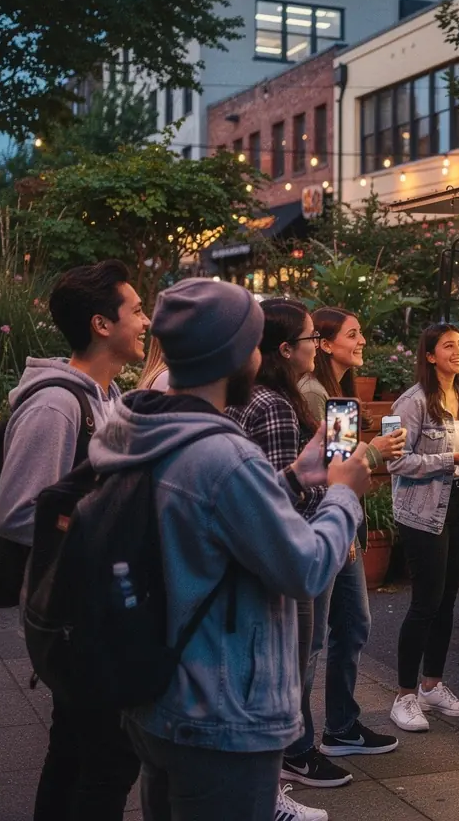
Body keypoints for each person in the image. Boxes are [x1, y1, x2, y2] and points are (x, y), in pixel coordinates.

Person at [88, 278, 372, 821]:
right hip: (221, 710)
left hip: (157, 694)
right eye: (255, 344)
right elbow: (306, 568)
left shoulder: (138, 425)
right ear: (234, 354)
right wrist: (343, 492)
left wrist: (292, 477)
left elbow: (207, 524)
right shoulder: (224, 456)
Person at [0, 259, 149, 821]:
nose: (145, 321)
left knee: (76, 756)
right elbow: (15, 513)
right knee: (105, 765)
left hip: (92, 613)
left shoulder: (105, 399)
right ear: (102, 325)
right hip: (76, 620)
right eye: (135, 310)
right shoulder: (58, 404)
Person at [226, 299, 352, 792]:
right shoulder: (277, 402)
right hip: (293, 554)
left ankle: (281, 767)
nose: (318, 347)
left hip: (265, 554)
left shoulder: (259, 395)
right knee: (294, 663)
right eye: (311, 339)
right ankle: (285, 767)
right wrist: (340, 493)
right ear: (285, 348)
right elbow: (284, 501)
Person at [287, 306, 405, 768]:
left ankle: (340, 726)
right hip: (326, 525)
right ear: (325, 343)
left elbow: (341, 464)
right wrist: (374, 452)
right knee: (315, 638)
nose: (361, 342)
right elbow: (331, 471)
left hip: (341, 520)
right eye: (352, 335)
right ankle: (298, 747)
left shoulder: (336, 394)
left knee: (352, 624)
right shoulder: (314, 393)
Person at [387, 324, 459, 732]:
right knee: (425, 602)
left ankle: (432, 686)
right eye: (448, 346)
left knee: (448, 600)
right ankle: (403, 696)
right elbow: (396, 463)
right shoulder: (411, 403)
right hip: (422, 511)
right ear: (430, 356)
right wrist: (452, 458)